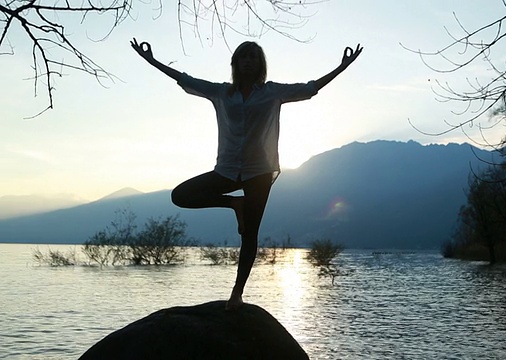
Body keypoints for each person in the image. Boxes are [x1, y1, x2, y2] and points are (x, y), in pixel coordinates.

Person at [130, 38, 363, 309]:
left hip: (259, 171)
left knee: (250, 234)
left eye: (254, 57)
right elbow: (185, 79)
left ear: (260, 64)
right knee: (180, 195)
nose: (249, 61)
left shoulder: (272, 93)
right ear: (236, 63)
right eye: (244, 57)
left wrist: (342, 67)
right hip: (227, 169)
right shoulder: (221, 93)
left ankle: (237, 293)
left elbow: (310, 88)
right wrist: (152, 61)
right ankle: (234, 203)